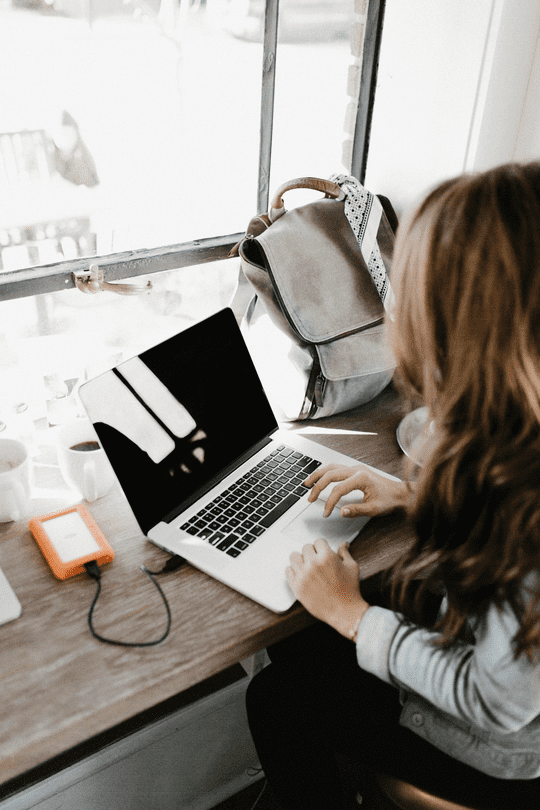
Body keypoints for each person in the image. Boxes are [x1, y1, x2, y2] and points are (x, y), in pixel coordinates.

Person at [245, 161, 540, 810]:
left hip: (509, 758)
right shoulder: (513, 446)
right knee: (304, 649)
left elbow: (498, 702)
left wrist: (351, 614)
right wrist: (412, 494)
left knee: (279, 697)